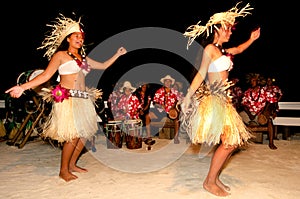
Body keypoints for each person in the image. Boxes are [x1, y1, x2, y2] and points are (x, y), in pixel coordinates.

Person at [5, 14, 127, 182]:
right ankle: (63, 170)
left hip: (83, 100)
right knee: (72, 135)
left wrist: (117, 54)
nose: (79, 39)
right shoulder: (60, 55)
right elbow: (46, 75)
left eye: (81, 37)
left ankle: (72, 165)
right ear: (68, 39)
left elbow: (104, 65)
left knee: (84, 135)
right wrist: (22, 87)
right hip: (68, 100)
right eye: (76, 36)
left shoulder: (84, 59)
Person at [180, 2, 260, 197]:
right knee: (229, 142)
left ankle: (214, 178)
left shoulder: (223, 51)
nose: (230, 32)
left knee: (231, 142)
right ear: (217, 29)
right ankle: (209, 181)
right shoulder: (210, 49)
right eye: (227, 28)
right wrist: (187, 97)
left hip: (225, 102)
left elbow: (239, 49)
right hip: (215, 102)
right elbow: (200, 74)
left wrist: (252, 39)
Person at [153, 74, 181, 144]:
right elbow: (155, 103)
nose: (167, 83)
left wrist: (174, 107)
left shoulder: (174, 91)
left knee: (177, 119)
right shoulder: (159, 91)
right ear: (163, 82)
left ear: (171, 83)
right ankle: (149, 135)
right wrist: (159, 105)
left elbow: (179, 101)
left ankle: (176, 137)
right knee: (148, 115)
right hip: (161, 111)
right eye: (166, 81)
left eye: (169, 81)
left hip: (170, 111)